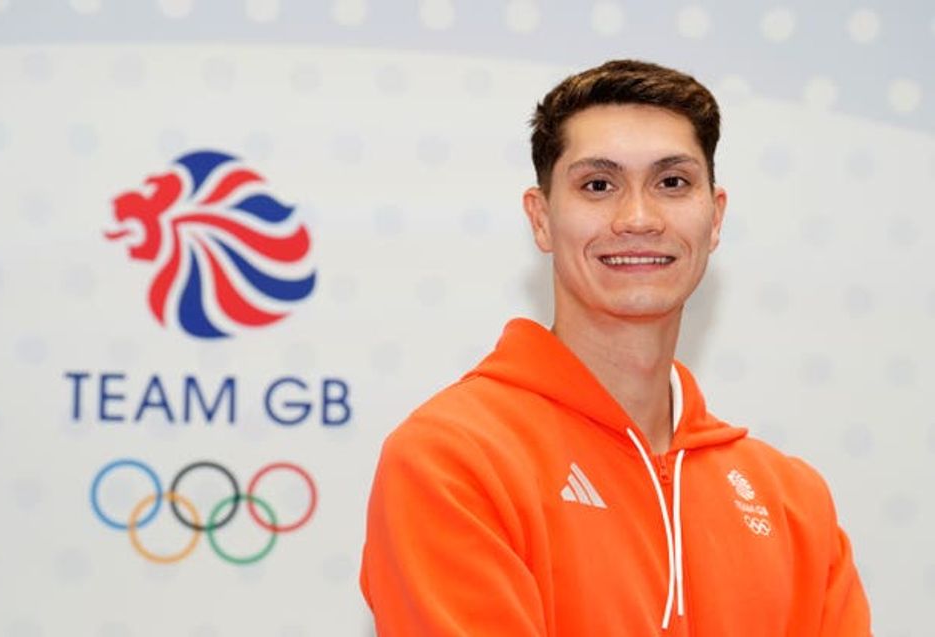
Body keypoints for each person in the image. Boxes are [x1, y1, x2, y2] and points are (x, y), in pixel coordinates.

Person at [359, 59, 871, 635]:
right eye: (598, 186)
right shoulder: (454, 460)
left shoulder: (793, 502)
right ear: (542, 219)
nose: (638, 218)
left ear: (715, 215)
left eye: (672, 183)